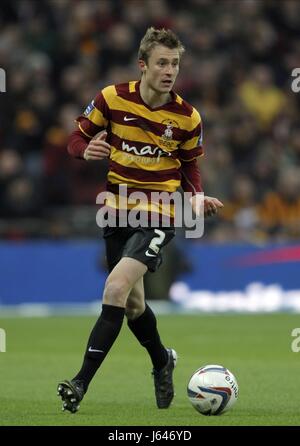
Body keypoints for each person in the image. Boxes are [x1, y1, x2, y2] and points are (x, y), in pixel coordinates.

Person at [57, 27, 223, 413]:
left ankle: (79, 383)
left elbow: (189, 166)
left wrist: (196, 198)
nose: (170, 71)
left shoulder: (187, 117)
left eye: (175, 64)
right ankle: (162, 360)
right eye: (162, 63)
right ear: (143, 65)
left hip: (160, 214)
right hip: (116, 211)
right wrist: (85, 150)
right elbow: (74, 139)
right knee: (132, 306)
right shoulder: (112, 99)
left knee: (115, 289)